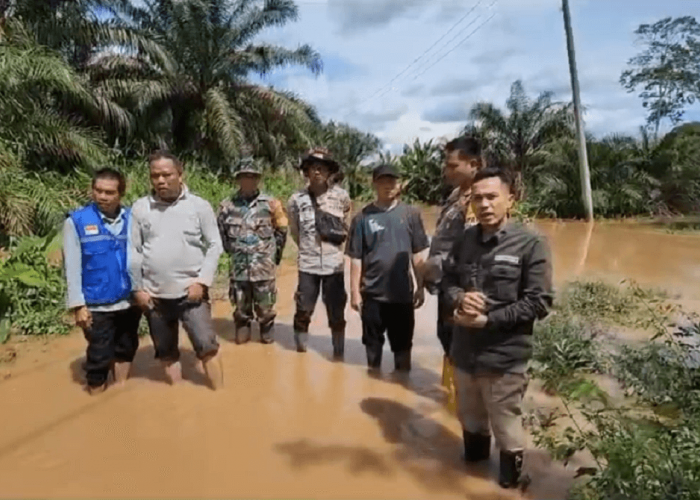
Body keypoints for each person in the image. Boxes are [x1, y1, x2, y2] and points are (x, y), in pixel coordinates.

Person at [442, 166, 553, 489]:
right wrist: (460, 297)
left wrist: (489, 319)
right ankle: (473, 481)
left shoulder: (531, 244)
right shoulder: (465, 239)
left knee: (507, 430)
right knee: (471, 423)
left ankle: (508, 486)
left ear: (510, 200)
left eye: (492, 197)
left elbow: (539, 302)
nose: (485, 204)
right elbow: (448, 280)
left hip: (504, 359)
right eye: (478, 198)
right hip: (464, 355)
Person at [129, 151, 224, 390]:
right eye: (155, 176)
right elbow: (133, 250)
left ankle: (221, 395)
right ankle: (178, 397)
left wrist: (202, 282)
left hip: (192, 295)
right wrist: (138, 288)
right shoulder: (140, 208)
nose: (160, 181)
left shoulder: (199, 206)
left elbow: (215, 245)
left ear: (180, 175)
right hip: (155, 297)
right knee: (166, 351)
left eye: (166, 175)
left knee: (207, 346)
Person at [63, 168, 142, 395]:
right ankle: (96, 394)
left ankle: (120, 394)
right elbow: (72, 267)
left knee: (126, 348)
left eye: (109, 192)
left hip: (129, 301)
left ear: (121, 194)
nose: (102, 197)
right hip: (97, 303)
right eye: (98, 191)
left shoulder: (133, 219)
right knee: (99, 355)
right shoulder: (76, 222)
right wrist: (78, 305)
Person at [346, 164, 430, 374]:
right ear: (374, 184)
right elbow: (356, 258)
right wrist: (355, 293)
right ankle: (373, 383)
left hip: (402, 295)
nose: (388, 186)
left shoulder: (411, 214)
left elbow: (417, 254)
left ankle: (401, 388)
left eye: (392, 181)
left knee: (403, 351)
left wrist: (421, 286)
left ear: (399, 184)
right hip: (372, 295)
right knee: (372, 350)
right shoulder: (362, 218)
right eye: (383, 181)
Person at [287, 147, 351, 358]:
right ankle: (300, 352)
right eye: (313, 168)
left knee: (336, 311)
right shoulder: (296, 200)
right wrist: (307, 248)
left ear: (328, 172)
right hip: (308, 264)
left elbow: (346, 228)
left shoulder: (342, 197)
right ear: (306, 171)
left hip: (334, 265)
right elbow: (295, 231)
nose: (317, 172)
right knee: (303, 309)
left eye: (321, 168)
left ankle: (339, 353)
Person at [217, 158, 288, 344]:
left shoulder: (271, 204)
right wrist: (233, 254)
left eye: (251, 177)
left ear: (257, 179)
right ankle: (243, 326)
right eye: (243, 177)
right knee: (241, 305)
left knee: (265, 306)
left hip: (263, 267)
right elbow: (222, 234)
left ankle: (266, 327)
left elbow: (282, 231)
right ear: (238, 179)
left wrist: (274, 257)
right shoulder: (227, 206)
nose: (247, 180)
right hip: (239, 267)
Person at [426, 135, 483, 356]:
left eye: (453, 166)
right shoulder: (456, 194)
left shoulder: (477, 200)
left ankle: (460, 389)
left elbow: (472, 248)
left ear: (474, 165)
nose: (447, 171)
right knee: (447, 337)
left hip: (461, 285)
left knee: (458, 342)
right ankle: (452, 387)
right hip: (446, 281)